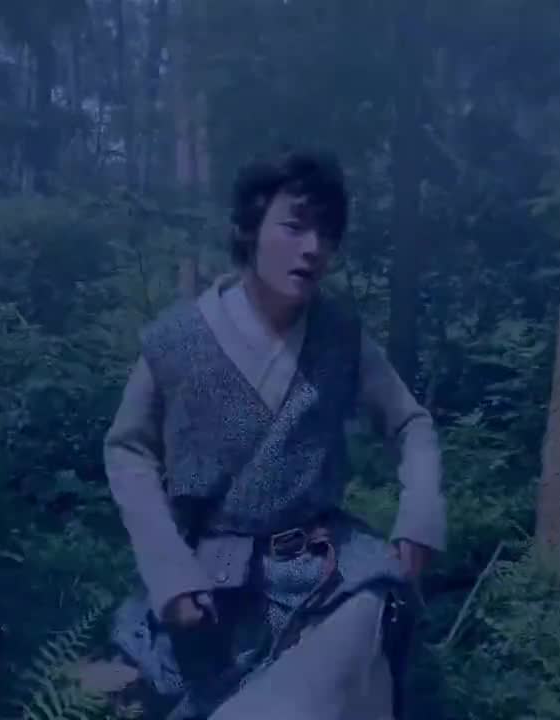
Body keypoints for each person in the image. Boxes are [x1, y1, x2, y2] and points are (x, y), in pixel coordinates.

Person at [103, 147, 447, 720]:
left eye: (327, 234)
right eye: (295, 226)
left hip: (326, 570)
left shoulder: (340, 338)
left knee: (355, 638)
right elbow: (128, 449)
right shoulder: (177, 340)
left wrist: (420, 515)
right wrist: (167, 569)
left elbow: (410, 423)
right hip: (209, 580)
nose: (313, 248)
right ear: (249, 228)